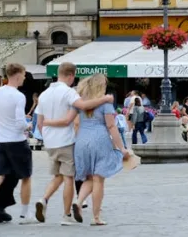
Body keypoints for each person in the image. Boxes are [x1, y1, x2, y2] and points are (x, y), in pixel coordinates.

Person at [42, 73, 131, 226]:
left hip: (82, 141)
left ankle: (78, 201)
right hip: (100, 140)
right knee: (98, 180)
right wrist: (122, 148)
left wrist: (47, 122)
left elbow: (72, 122)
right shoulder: (105, 103)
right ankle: (96, 217)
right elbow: (111, 126)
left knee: (89, 178)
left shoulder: (79, 102)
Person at [34, 62, 114, 225]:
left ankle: (44, 199)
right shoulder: (68, 92)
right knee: (69, 178)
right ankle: (66, 215)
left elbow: (39, 123)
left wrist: (47, 133)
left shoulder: (43, 94)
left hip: (50, 143)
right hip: (66, 140)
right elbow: (82, 107)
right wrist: (105, 98)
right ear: (70, 75)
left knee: (58, 176)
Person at [0, 64, 34, 226]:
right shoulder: (19, 96)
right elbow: (20, 123)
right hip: (16, 141)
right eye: (23, 74)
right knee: (26, 177)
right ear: (17, 75)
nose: (24, 78)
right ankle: (25, 214)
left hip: (0, 140)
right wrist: (29, 125)